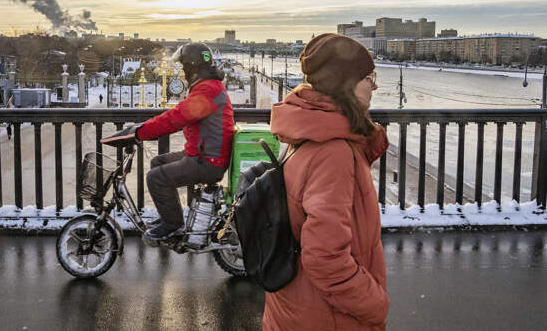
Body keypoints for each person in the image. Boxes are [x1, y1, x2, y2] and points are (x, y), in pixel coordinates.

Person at [264, 33, 390, 330]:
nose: (374, 85)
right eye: (367, 77)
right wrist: (374, 304)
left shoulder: (309, 131)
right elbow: (325, 258)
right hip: (327, 318)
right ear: (344, 83)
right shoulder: (333, 152)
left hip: (296, 305)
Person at [101, 42, 234, 244]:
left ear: (192, 67)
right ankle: (170, 218)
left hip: (208, 160)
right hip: (203, 153)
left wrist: (139, 133)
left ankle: (174, 226)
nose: (182, 71)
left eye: (183, 67)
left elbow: (175, 118)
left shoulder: (207, 90)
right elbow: (177, 115)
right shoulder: (208, 87)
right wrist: (142, 128)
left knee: (155, 178)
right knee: (158, 163)